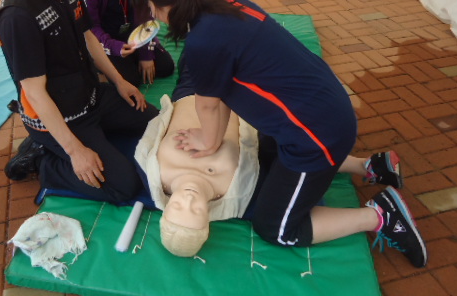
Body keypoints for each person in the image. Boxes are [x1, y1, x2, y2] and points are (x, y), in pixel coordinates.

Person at [131, 0, 427, 267]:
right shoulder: (231, 3)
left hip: (317, 137)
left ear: (161, 5)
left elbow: (209, 104)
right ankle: (369, 166)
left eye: (151, 7)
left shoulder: (203, 41)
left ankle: (380, 215)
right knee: (265, 149)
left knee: (276, 227)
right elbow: (221, 94)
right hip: (329, 109)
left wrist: (209, 141)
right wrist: (211, 137)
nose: (153, 15)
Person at [136, 62, 405, 258]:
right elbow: (290, 170)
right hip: (236, 99)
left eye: (177, 206)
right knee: (279, 149)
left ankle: (369, 178)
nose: (188, 200)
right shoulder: (236, 193)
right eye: (195, 211)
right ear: (208, 218)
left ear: (165, 208)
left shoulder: (155, 175)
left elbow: (151, 132)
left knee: (197, 49)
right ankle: (366, 168)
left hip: (190, 90)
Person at [0, 0, 159, 204]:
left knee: (154, 120)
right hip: (63, 117)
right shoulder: (18, 15)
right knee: (123, 185)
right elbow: (34, 93)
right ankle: (44, 160)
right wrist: (74, 150)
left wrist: (119, 82)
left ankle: (93, 136)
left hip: (90, 96)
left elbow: (88, 36)